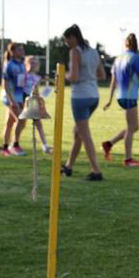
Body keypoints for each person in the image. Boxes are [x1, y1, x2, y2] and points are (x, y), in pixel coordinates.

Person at [101, 33, 139, 167]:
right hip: (130, 96)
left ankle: (109, 144)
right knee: (131, 127)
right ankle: (128, 159)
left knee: (134, 127)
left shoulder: (118, 59)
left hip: (121, 96)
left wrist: (110, 100)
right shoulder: (135, 58)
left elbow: (113, 81)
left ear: (125, 44)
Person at [61, 24, 106, 181]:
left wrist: (62, 76)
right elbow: (102, 75)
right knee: (77, 133)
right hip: (94, 96)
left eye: (67, 40)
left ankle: (96, 171)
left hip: (80, 97)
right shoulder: (94, 52)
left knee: (85, 135)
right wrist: (88, 75)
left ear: (73, 38)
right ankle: (68, 166)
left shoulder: (74, 51)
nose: (66, 43)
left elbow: (73, 77)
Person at [0, 42, 27, 156]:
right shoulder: (9, 65)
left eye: (22, 49)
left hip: (19, 97)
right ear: (13, 52)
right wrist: (12, 101)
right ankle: (15, 145)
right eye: (20, 50)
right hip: (10, 97)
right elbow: (5, 85)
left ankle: (5, 148)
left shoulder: (22, 64)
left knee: (10, 123)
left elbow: (23, 82)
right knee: (21, 120)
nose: (22, 51)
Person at [22, 55, 52, 154]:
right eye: (31, 62)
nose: (33, 65)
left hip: (33, 102)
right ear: (26, 64)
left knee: (38, 123)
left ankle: (44, 145)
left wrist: (41, 96)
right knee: (18, 123)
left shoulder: (38, 77)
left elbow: (37, 90)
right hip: (23, 100)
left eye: (35, 63)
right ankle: (13, 143)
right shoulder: (24, 75)